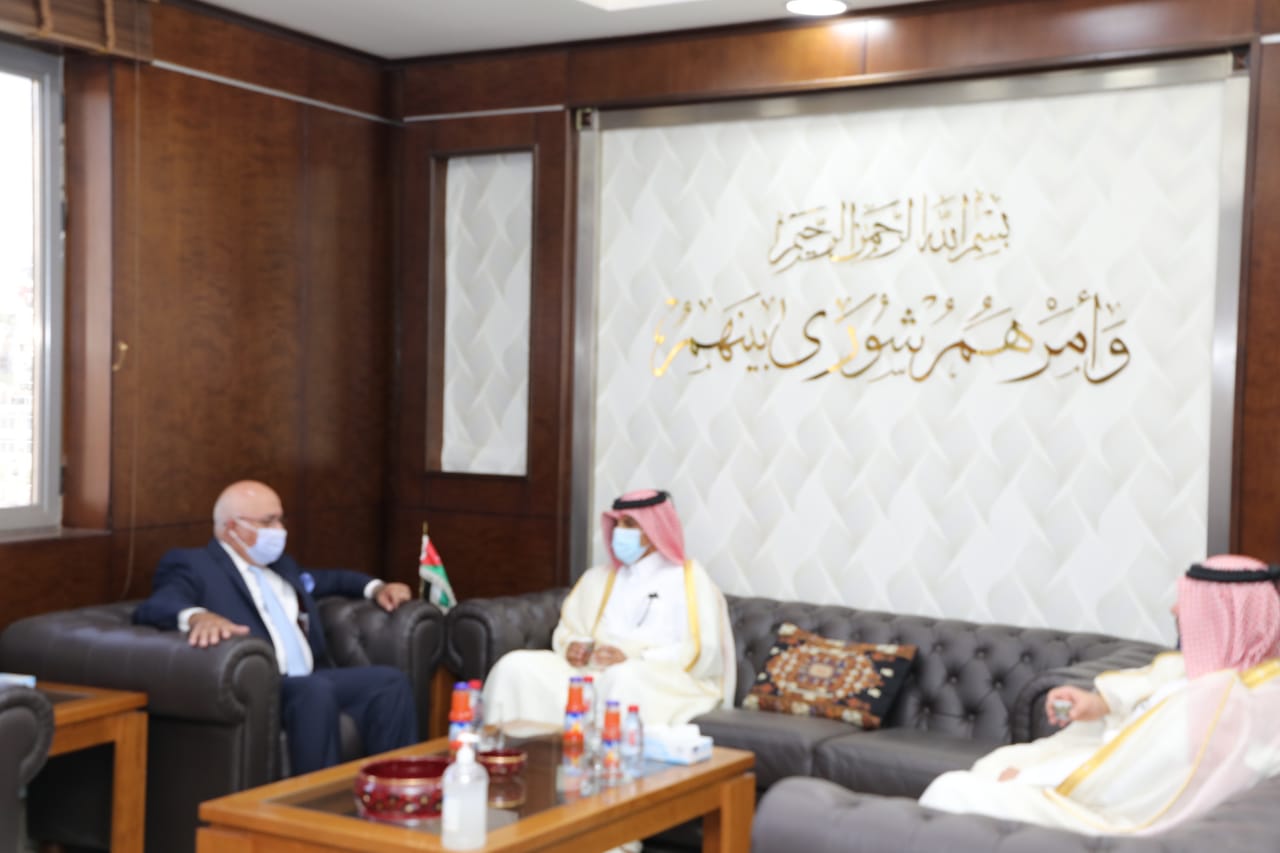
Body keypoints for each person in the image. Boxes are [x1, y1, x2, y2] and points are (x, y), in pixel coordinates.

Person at [918, 553, 1280, 835]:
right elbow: (1151, 693)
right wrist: (1097, 704)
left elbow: (1133, 776)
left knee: (952, 790)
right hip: (1105, 786)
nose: (1174, 608)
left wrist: (1028, 779)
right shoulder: (1240, 677)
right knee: (992, 767)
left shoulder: (1223, 702)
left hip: (1116, 819)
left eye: (1190, 601)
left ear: (1223, 615)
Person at [132, 480, 419, 774]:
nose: (280, 529)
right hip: (262, 687)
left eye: (280, 519)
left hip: (311, 677)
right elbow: (159, 604)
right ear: (232, 528)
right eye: (269, 521)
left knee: (390, 682)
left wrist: (376, 587)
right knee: (315, 691)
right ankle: (314, 799)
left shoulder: (281, 567)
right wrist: (198, 617)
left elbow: (331, 580)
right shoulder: (195, 565)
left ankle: (397, 789)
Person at [483, 489, 736, 727]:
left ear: (654, 530)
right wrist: (572, 647)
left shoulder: (689, 579)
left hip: (659, 679)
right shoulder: (598, 578)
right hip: (592, 672)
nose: (618, 531)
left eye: (629, 524)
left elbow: (700, 651)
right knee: (515, 667)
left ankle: (602, 755)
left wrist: (633, 658)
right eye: (617, 523)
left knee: (623, 678)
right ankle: (512, 751)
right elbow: (569, 629)